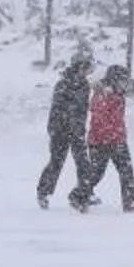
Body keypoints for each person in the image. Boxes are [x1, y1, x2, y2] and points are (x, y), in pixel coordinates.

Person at [74, 66, 134, 213]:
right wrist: (108, 137)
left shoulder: (116, 93)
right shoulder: (102, 95)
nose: (125, 84)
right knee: (96, 172)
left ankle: (130, 200)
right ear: (115, 79)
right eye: (123, 80)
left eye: (126, 81)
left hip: (116, 138)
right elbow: (99, 117)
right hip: (102, 140)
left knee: (126, 171)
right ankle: (78, 196)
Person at [36, 51, 92, 208]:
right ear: (77, 68)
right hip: (60, 130)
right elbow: (57, 109)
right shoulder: (63, 84)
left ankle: (83, 194)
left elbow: (83, 109)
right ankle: (43, 192)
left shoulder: (85, 85)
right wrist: (57, 128)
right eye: (85, 69)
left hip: (77, 131)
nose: (87, 73)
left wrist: (80, 127)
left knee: (83, 163)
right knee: (56, 162)